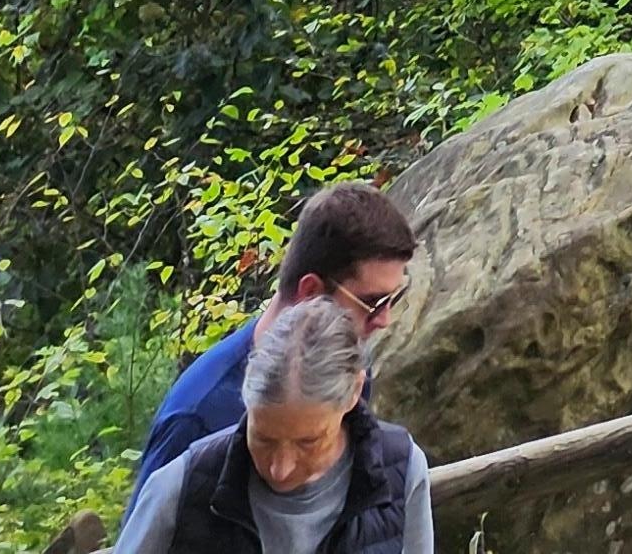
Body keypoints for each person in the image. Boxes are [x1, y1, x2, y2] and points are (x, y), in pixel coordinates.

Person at [132, 186, 417, 489]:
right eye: (373, 304)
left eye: (392, 300)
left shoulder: (347, 368)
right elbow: (145, 532)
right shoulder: (198, 415)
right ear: (310, 293)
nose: (384, 320)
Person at [114, 293, 431, 554]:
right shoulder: (181, 488)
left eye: (308, 442)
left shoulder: (401, 470)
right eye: (263, 439)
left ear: (353, 394)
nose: (280, 468)